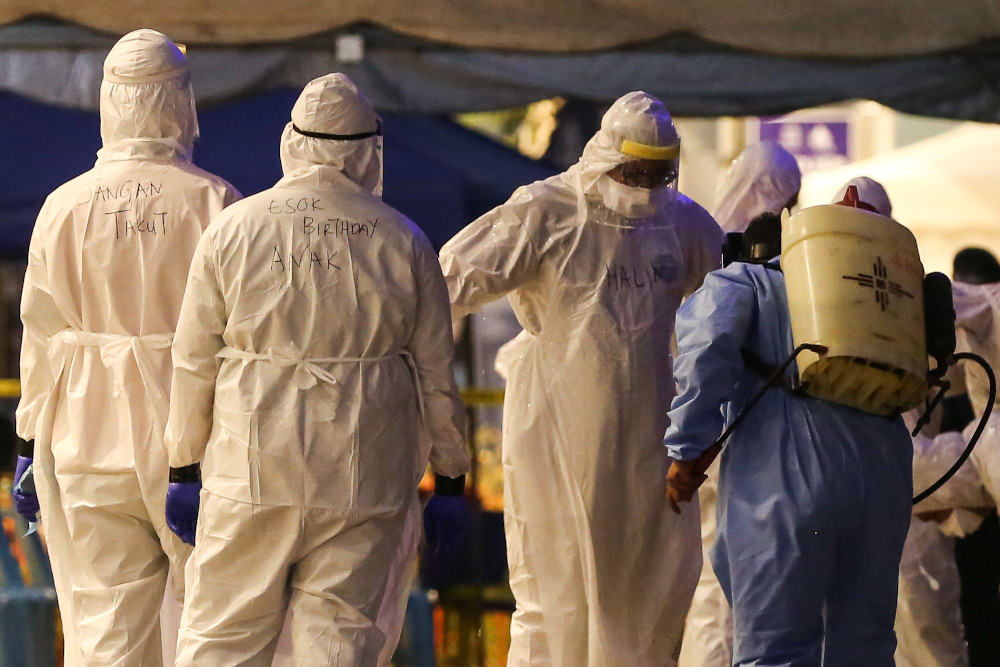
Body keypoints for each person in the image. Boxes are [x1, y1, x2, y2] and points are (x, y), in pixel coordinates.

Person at [162, 72, 470, 666]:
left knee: (222, 641)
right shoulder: (403, 240)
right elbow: (437, 374)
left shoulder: (235, 228)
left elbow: (193, 359)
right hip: (364, 473)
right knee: (338, 644)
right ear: (368, 149)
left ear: (293, 141)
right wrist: (451, 479)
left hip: (252, 467)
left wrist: (182, 464)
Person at [440, 91, 724, 667]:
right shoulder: (546, 212)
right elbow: (444, 283)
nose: (643, 185)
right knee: (554, 587)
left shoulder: (684, 223)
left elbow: (728, 314)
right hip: (554, 426)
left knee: (645, 594)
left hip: (651, 440)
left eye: (655, 174)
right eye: (634, 170)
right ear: (605, 156)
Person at [11, 29, 240, 666]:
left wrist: (30, 444)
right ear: (181, 104)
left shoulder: (61, 207)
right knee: (214, 623)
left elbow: (40, 336)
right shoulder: (217, 204)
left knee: (107, 630)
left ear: (109, 103)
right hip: (195, 446)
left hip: (86, 439)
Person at [664, 187, 913, 666]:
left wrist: (686, 451)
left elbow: (705, 354)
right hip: (884, 484)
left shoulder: (745, 281)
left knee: (776, 652)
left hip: (787, 485)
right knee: (865, 648)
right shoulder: (879, 294)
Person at [679, 141, 800, 667]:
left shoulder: (692, 231)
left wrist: (684, 449)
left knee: (710, 592)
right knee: (731, 602)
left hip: (701, 441)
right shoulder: (782, 259)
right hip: (744, 447)